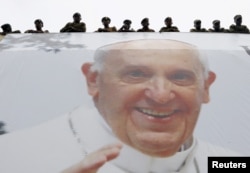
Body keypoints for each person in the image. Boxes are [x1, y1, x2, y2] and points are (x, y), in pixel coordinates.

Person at [0, 39, 242, 173]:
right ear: (94, 80)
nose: (160, 96)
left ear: (206, 87)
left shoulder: (231, 162)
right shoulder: (12, 156)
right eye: (136, 74)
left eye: (180, 77)